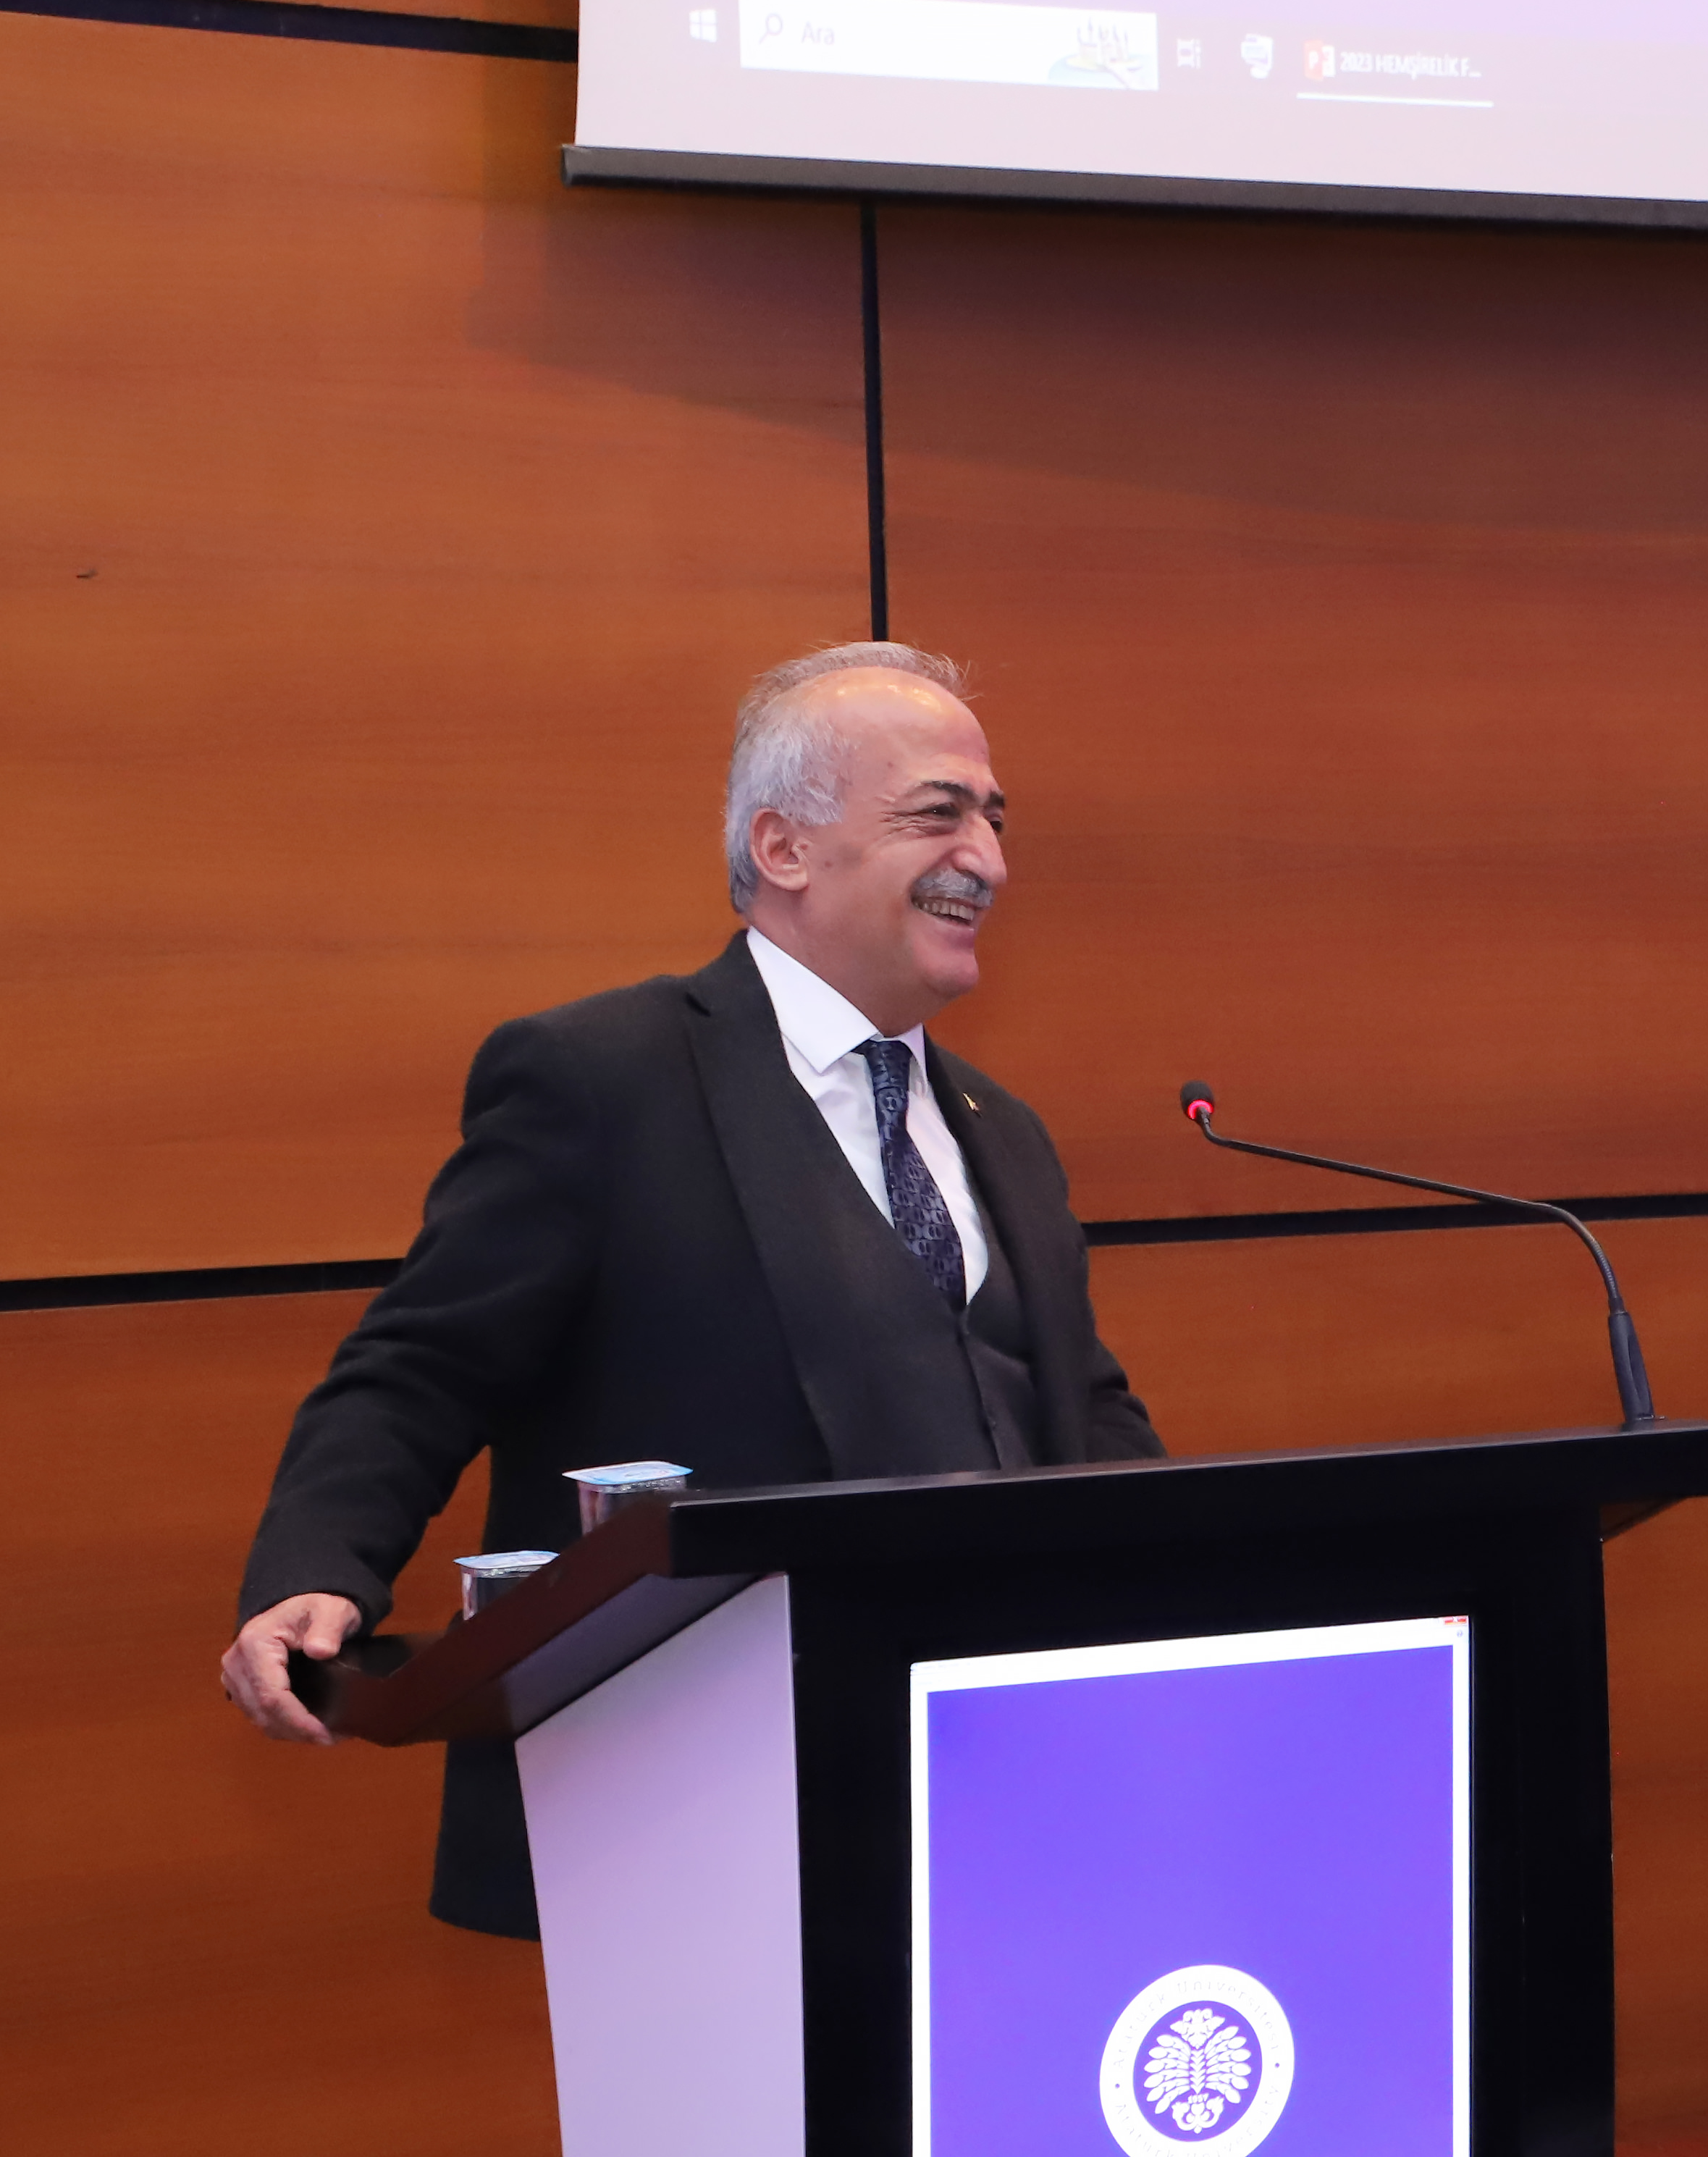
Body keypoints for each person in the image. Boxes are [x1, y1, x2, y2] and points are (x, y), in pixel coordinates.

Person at [219, 643, 1162, 1935]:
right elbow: (423, 1366)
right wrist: (316, 1567)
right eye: (938, 813)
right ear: (783, 846)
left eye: (994, 820)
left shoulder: (1006, 1130)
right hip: (693, 1805)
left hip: (999, 1795)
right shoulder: (603, 1080)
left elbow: (1082, 1412)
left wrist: (1204, 1598)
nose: (987, 860)